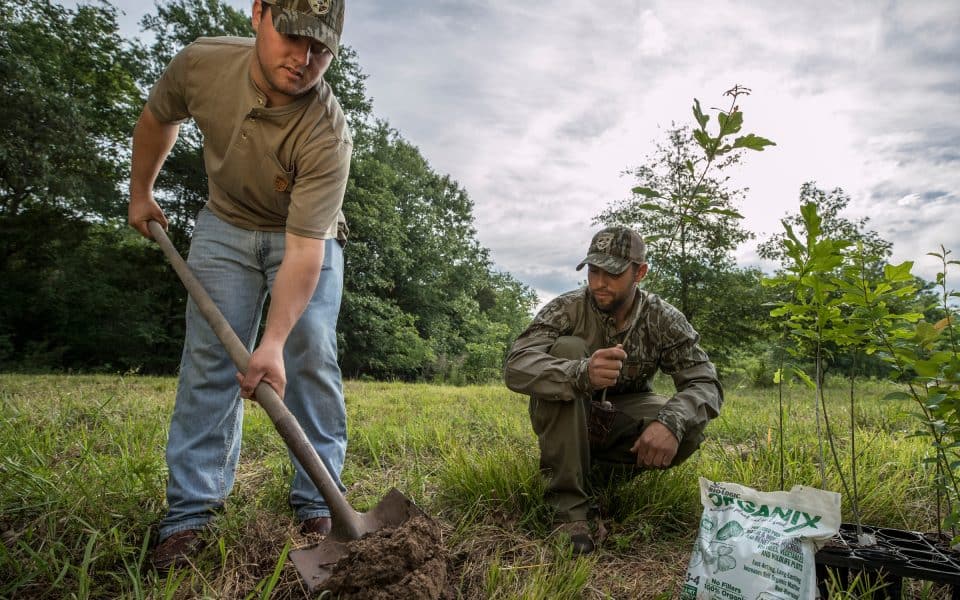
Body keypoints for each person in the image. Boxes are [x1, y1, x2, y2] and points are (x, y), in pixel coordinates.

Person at [127, 0, 351, 569]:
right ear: (258, 14)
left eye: (320, 47)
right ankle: (191, 514)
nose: (303, 59)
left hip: (303, 237)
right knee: (208, 360)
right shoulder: (202, 63)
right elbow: (158, 117)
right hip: (223, 227)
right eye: (292, 35)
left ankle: (319, 502)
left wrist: (272, 342)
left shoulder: (328, 132)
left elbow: (304, 251)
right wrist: (141, 192)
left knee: (309, 356)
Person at [503, 225, 723, 555]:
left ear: (641, 272)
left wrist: (670, 422)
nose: (599, 283)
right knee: (566, 347)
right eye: (593, 271)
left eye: (613, 273)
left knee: (688, 431)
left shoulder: (662, 318)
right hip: (568, 410)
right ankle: (568, 509)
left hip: (621, 415)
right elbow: (516, 365)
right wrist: (579, 372)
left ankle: (598, 479)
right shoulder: (568, 308)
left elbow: (705, 382)